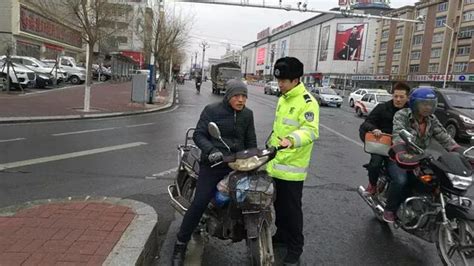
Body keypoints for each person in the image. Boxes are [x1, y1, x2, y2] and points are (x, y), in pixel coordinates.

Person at [171, 79, 257, 265]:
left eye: (244, 96)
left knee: (252, 199)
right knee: (200, 202)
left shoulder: (247, 115)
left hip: (238, 165)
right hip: (214, 164)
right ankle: (180, 244)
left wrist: (254, 159)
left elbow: (251, 141)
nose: (241, 100)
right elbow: (199, 134)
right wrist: (211, 150)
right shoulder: (212, 110)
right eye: (237, 96)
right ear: (228, 96)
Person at [266, 57, 319, 265]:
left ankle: (295, 248)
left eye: (284, 81)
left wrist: (292, 140)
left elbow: (311, 131)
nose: (280, 85)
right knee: (277, 205)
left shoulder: (307, 102)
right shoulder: (283, 98)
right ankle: (281, 235)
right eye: (279, 81)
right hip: (275, 163)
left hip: (292, 168)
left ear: (296, 80)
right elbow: (278, 128)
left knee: (292, 211)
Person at [384, 87, 464, 223]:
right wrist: (402, 151)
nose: (427, 108)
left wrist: (460, 152)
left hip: (421, 157)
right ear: (414, 104)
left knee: (437, 181)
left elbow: (444, 137)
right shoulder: (402, 115)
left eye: (430, 104)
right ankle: (389, 209)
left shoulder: (432, 119)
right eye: (423, 104)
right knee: (401, 181)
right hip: (400, 156)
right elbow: (398, 134)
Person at [359, 82, 410, 195]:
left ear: (407, 97)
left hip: (401, 147)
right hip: (382, 145)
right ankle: (372, 185)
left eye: (401, 97)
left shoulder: (410, 111)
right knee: (375, 164)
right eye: (395, 96)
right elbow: (367, 123)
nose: (398, 99)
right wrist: (374, 129)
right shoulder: (382, 108)